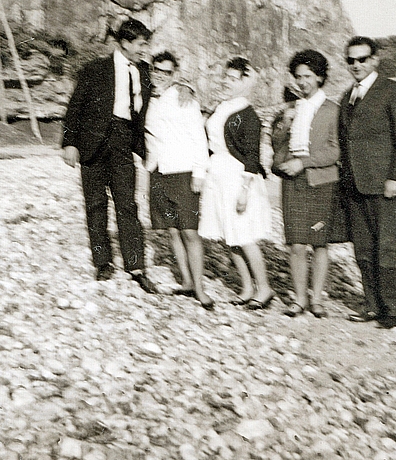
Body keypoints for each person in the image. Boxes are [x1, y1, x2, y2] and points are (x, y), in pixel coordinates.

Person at [62, 18, 158, 294]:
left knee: (127, 206)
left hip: (124, 142)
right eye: (141, 44)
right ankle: (102, 262)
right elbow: (75, 107)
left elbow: (165, 89)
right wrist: (70, 144)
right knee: (95, 205)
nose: (145, 49)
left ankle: (136, 267)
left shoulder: (145, 72)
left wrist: (187, 88)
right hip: (92, 143)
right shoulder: (95, 69)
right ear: (125, 43)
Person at [338, 35, 396, 328]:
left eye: (362, 59)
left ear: (375, 60)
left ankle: (394, 311)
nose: (356, 65)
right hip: (355, 186)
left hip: (385, 185)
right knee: (364, 251)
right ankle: (372, 306)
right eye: (350, 60)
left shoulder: (393, 91)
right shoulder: (347, 96)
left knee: (390, 249)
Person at [198, 57, 274, 309]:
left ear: (244, 82)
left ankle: (264, 288)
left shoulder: (247, 113)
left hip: (238, 176)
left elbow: (252, 156)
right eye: (225, 77)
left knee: (244, 234)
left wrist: (244, 190)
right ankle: (246, 287)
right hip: (217, 173)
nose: (226, 82)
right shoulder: (222, 107)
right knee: (228, 234)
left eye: (233, 78)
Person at [272, 50, 340, 318]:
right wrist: (283, 126)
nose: (302, 82)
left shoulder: (333, 110)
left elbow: (336, 151)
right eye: (298, 77)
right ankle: (299, 299)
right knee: (296, 244)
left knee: (319, 242)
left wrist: (304, 162)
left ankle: (318, 300)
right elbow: (275, 145)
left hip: (322, 183)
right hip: (293, 182)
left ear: (320, 77)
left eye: (308, 77)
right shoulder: (290, 109)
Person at [144, 51, 214, 309]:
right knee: (172, 230)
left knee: (190, 231)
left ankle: (200, 288)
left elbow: (199, 137)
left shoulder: (185, 100)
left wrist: (199, 172)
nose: (159, 76)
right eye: (156, 70)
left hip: (184, 171)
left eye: (165, 72)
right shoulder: (147, 98)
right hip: (157, 171)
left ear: (174, 75)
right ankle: (186, 282)